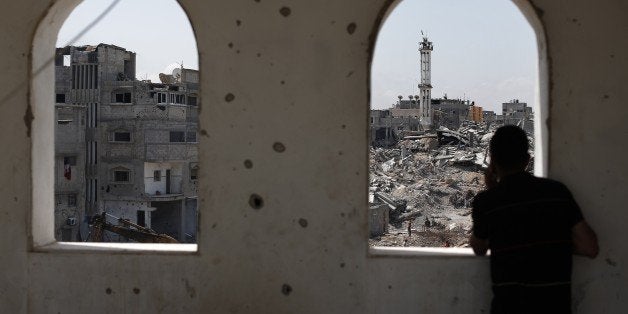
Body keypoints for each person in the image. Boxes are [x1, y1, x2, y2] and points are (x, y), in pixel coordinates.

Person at [470, 125, 598, 314]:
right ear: (527, 160)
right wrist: (555, 246)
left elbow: (479, 248)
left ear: (492, 163)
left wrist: (491, 190)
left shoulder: (487, 202)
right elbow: (590, 247)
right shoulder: (557, 193)